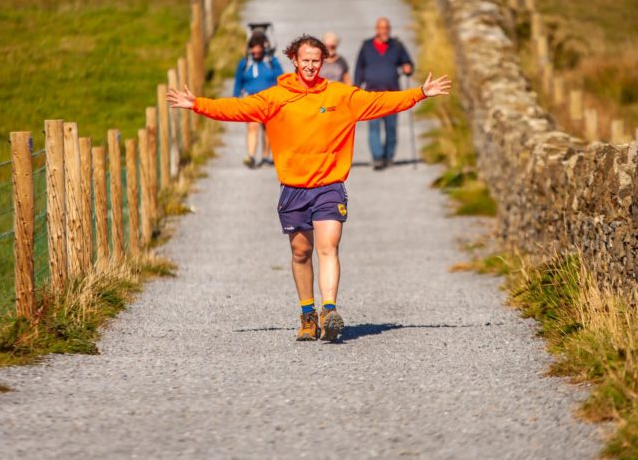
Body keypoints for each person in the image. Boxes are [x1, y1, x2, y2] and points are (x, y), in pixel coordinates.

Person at [168, 34, 450, 342]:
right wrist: (197, 104)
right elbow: (237, 108)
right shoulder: (275, 97)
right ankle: (307, 315)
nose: (312, 66)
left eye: (317, 61)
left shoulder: (341, 95)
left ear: (324, 61)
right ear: (295, 60)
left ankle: (330, 311)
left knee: (329, 246)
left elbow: (381, 101)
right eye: (306, 61)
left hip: (329, 185)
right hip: (294, 189)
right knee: (301, 251)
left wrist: (420, 93)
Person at [355, 17, 414, 170]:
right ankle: (377, 157)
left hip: (392, 94)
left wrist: (408, 68)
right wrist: (355, 89)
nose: (384, 31)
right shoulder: (366, 46)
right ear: (376, 29)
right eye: (381, 28)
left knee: (391, 127)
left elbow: (407, 62)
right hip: (372, 95)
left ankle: (388, 156)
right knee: (374, 127)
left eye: (387, 28)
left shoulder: (397, 45)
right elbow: (359, 68)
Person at [233, 32, 283, 168]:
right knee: (252, 126)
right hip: (251, 99)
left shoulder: (272, 62)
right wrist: (235, 99)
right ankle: (251, 156)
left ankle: (266, 157)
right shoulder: (244, 63)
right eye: (253, 48)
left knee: (268, 129)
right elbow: (238, 81)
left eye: (258, 48)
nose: (255, 51)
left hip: (269, 100)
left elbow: (281, 78)